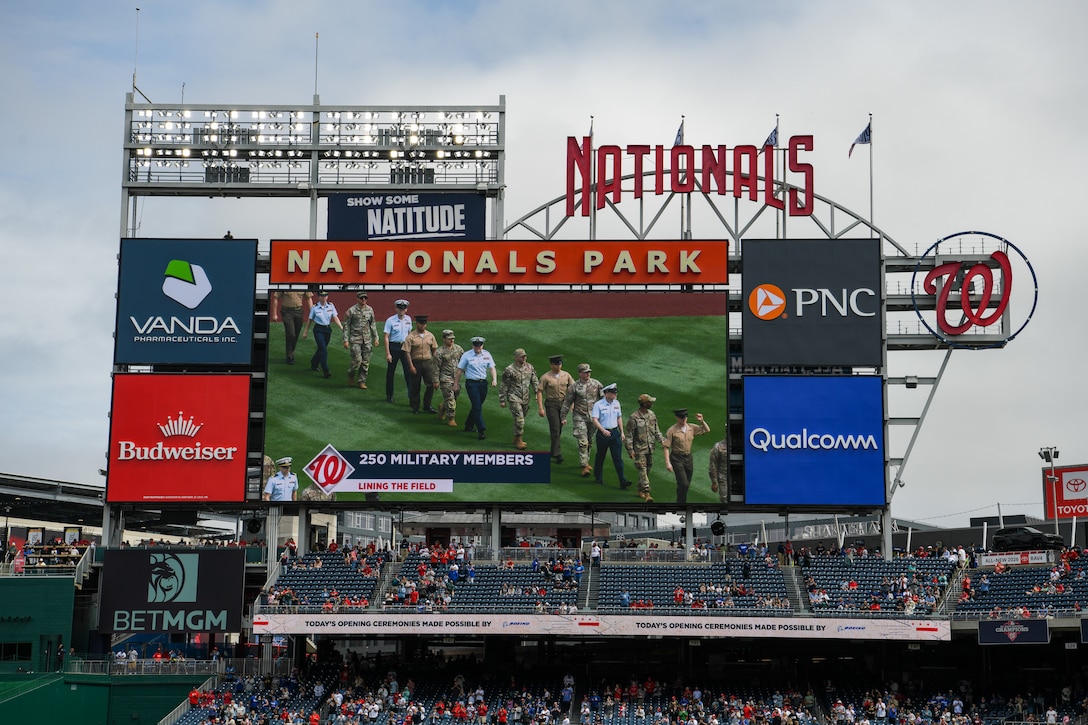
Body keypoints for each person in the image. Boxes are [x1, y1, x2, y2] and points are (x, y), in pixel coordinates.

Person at [561, 363, 604, 477]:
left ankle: (586, 460)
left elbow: (604, 399)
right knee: (583, 441)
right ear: (580, 373)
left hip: (593, 417)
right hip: (579, 416)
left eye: (589, 372)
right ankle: (584, 465)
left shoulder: (596, 384)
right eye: (585, 372)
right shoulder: (574, 386)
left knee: (589, 441)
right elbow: (567, 402)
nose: (587, 374)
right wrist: (563, 417)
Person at [625, 394, 666, 503]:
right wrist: (630, 450)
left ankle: (640, 489)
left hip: (650, 448)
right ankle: (647, 493)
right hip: (639, 449)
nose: (651, 404)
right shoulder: (634, 418)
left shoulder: (652, 415)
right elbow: (629, 435)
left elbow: (657, 430)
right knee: (642, 469)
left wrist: (662, 441)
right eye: (649, 402)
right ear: (644, 404)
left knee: (648, 468)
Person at [454, 336, 497, 440]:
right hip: (471, 384)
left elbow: (492, 367)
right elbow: (460, 370)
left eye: (479, 345)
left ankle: (468, 424)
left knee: (476, 406)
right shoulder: (467, 355)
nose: (478, 347)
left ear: (482, 345)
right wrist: (456, 383)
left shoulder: (487, 354)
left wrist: (494, 379)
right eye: (476, 345)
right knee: (477, 407)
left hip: (483, 384)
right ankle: (481, 429)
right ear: (472, 345)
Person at [664, 409, 710, 504]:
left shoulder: (691, 427)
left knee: (686, 484)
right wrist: (668, 463)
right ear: (677, 418)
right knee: (683, 483)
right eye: (681, 417)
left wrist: (702, 421)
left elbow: (706, 430)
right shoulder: (672, 430)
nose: (684, 419)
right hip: (677, 458)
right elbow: (666, 447)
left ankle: (681, 500)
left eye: (685, 417)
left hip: (688, 458)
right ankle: (681, 502)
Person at [592, 383, 630, 490]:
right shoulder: (598, 405)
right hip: (603, 434)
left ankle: (622, 480)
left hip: (614, 433)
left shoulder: (616, 403)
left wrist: (622, 432)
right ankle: (598, 477)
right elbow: (595, 419)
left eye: (615, 392)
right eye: (613, 392)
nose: (615, 394)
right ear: (606, 393)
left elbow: (619, 418)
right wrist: (603, 430)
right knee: (601, 456)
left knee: (618, 458)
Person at [500, 348, 539, 450]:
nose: (524, 358)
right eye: (522, 356)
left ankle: (516, 436)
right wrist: (502, 399)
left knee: (521, 417)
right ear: (516, 357)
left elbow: (534, 381)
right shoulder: (509, 369)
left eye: (525, 356)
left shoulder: (529, 367)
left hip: (525, 397)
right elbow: (504, 384)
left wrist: (537, 393)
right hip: (514, 397)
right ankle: (519, 440)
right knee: (520, 419)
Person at [538, 355, 574, 463]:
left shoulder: (566, 375)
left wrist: (572, 403)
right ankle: (557, 454)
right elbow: (539, 391)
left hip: (563, 403)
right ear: (551, 365)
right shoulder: (546, 377)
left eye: (560, 364)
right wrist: (540, 408)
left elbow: (572, 389)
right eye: (556, 364)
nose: (558, 366)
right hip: (551, 404)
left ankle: (552, 451)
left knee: (559, 429)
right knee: (555, 428)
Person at [301, 290, 344, 378]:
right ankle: (326, 370)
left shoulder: (331, 306)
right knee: (323, 350)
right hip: (318, 330)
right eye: (322, 296)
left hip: (327, 330)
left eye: (325, 296)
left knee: (321, 348)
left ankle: (314, 363)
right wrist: (305, 332)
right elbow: (310, 320)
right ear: (319, 297)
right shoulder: (315, 308)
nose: (324, 298)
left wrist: (341, 327)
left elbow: (335, 317)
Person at [343, 291, 379, 389]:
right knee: (357, 361)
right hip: (355, 339)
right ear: (357, 299)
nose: (364, 300)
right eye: (362, 298)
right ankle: (351, 374)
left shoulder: (370, 310)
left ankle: (361, 381)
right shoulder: (351, 311)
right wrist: (345, 340)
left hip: (367, 340)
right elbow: (346, 325)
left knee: (365, 362)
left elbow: (372, 324)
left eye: (365, 298)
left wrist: (376, 337)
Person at [404, 315, 439, 414]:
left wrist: (435, 363)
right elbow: (407, 352)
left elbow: (434, 349)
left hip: (428, 362)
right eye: (421, 323)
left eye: (424, 324)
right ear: (417, 323)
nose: (422, 325)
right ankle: (415, 406)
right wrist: (410, 366)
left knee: (430, 384)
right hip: (416, 362)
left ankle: (427, 405)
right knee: (415, 386)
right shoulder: (411, 337)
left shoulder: (430, 335)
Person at [271, 288, 312, 364]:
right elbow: (276, 298)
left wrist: (313, 313)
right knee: (291, 333)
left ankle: (291, 352)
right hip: (287, 312)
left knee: (296, 334)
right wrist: (274, 314)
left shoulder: (304, 284)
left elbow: (309, 298)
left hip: (299, 311)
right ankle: (289, 355)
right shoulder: (284, 284)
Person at [383, 299, 413, 403]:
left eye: (403, 308)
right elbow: (386, 337)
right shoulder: (390, 320)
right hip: (394, 347)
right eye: (400, 308)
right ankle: (389, 395)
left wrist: (410, 349)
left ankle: (411, 396)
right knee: (390, 372)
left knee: (408, 372)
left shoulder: (408, 319)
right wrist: (388, 353)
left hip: (404, 347)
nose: (402, 310)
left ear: (406, 309)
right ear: (396, 309)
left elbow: (409, 335)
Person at [434, 329, 465, 427]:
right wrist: (436, 381)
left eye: (452, 338)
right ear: (444, 339)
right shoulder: (439, 352)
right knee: (450, 399)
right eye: (449, 339)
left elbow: (464, 362)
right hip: (445, 378)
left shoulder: (459, 349)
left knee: (454, 396)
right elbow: (436, 367)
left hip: (456, 378)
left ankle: (443, 407)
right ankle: (451, 418)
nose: (451, 340)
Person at [707, 423, 731, 504]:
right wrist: (714, 481)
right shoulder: (719, 446)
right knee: (725, 500)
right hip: (724, 478)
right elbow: (713, 464)